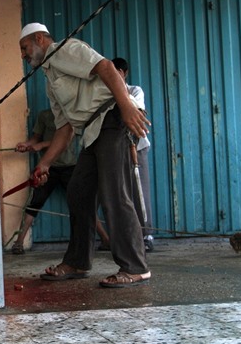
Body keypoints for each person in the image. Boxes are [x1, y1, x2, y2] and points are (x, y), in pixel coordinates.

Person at [18, 22, 151, 288]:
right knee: (78, 191)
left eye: (25, 47)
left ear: (40, 39)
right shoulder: (50, 80)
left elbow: (106, 68)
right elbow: (64, 129)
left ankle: (135, 266)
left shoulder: (64, 50)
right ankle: (78, 262)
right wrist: (44, 164)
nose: (23, 55)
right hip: (92, 132)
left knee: (115, 193)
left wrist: (126, 106)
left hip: (112, 118)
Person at [11, 109, 111, 255]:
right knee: (34, 204)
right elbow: (35, 139)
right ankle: (19, 242)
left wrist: (43, 145)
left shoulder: (73, 113)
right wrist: (26, 145)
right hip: (48, 168)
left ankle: (106, 240)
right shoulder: (44, 115)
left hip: (70, 168)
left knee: (84, 204)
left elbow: (67, 139)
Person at [112, 57, 155, 252]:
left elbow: (135, 109)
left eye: (117, 72)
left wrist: (118, 91)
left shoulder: (135, 90)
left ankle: (147, 236)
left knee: (140, 191)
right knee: (121, 193)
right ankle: (127, 237)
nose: (114, 76)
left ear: (124, 73)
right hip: (116, 150)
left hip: (137, 148)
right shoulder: (106, 92)